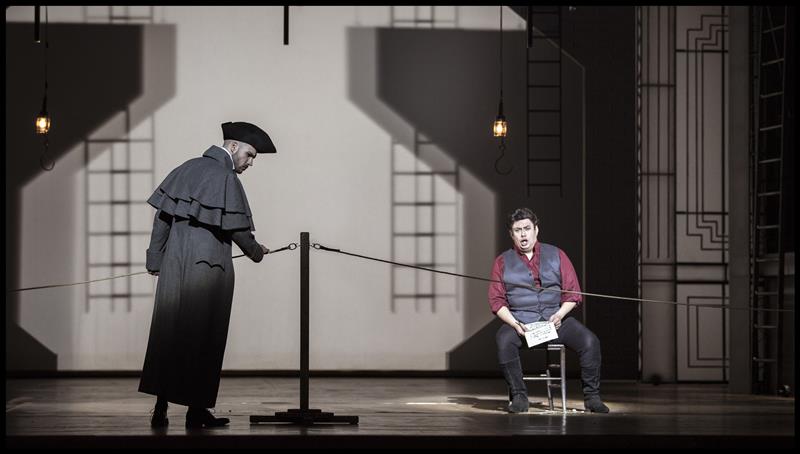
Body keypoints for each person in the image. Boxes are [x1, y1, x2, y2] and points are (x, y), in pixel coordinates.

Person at [139, 121, 277, 428]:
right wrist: (256, 252)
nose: (250, 163)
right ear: (233, 147)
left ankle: (161, 408)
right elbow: (237, 228)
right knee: (204, 339)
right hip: (209, 270)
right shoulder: (224, 177)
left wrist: (155, 260)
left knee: (168, 335)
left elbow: (162, 218)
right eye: (250, 155)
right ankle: (196, 411)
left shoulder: (186, 168)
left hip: (174, 267)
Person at [488, 208, 609, 414]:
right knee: (504, 340)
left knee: (590, 341)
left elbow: (573, 293)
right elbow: (496, 301)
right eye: (518, 230)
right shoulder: (502, 262)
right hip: (522, 323)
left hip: (555, 320)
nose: (523, 234)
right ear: (511, 234)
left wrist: (560, 315)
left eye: (527, 228)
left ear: (536, 230)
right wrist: (515, 324)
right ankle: (519, 396)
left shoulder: (557, 254)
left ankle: (592, 397)